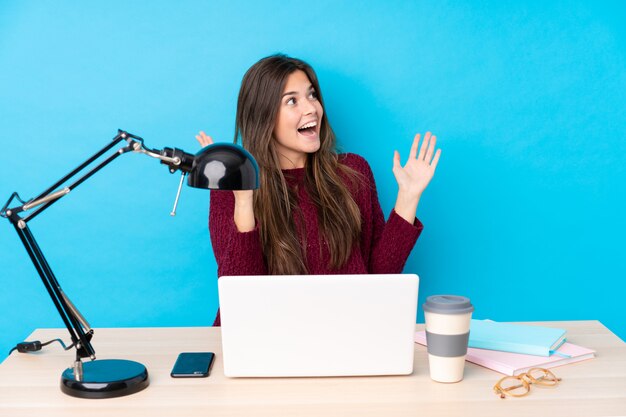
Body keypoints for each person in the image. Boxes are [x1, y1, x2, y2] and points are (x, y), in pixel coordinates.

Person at [196, 54, 441, 326]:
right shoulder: (232, 186)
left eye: (312, 95)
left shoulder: (352, 173)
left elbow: (379, 279)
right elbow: (241, 300)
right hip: (265, 339)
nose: (311, 108)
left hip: (345, 334)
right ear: (263, 115)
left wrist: (408, 198)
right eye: (292, 100)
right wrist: (244, 202)